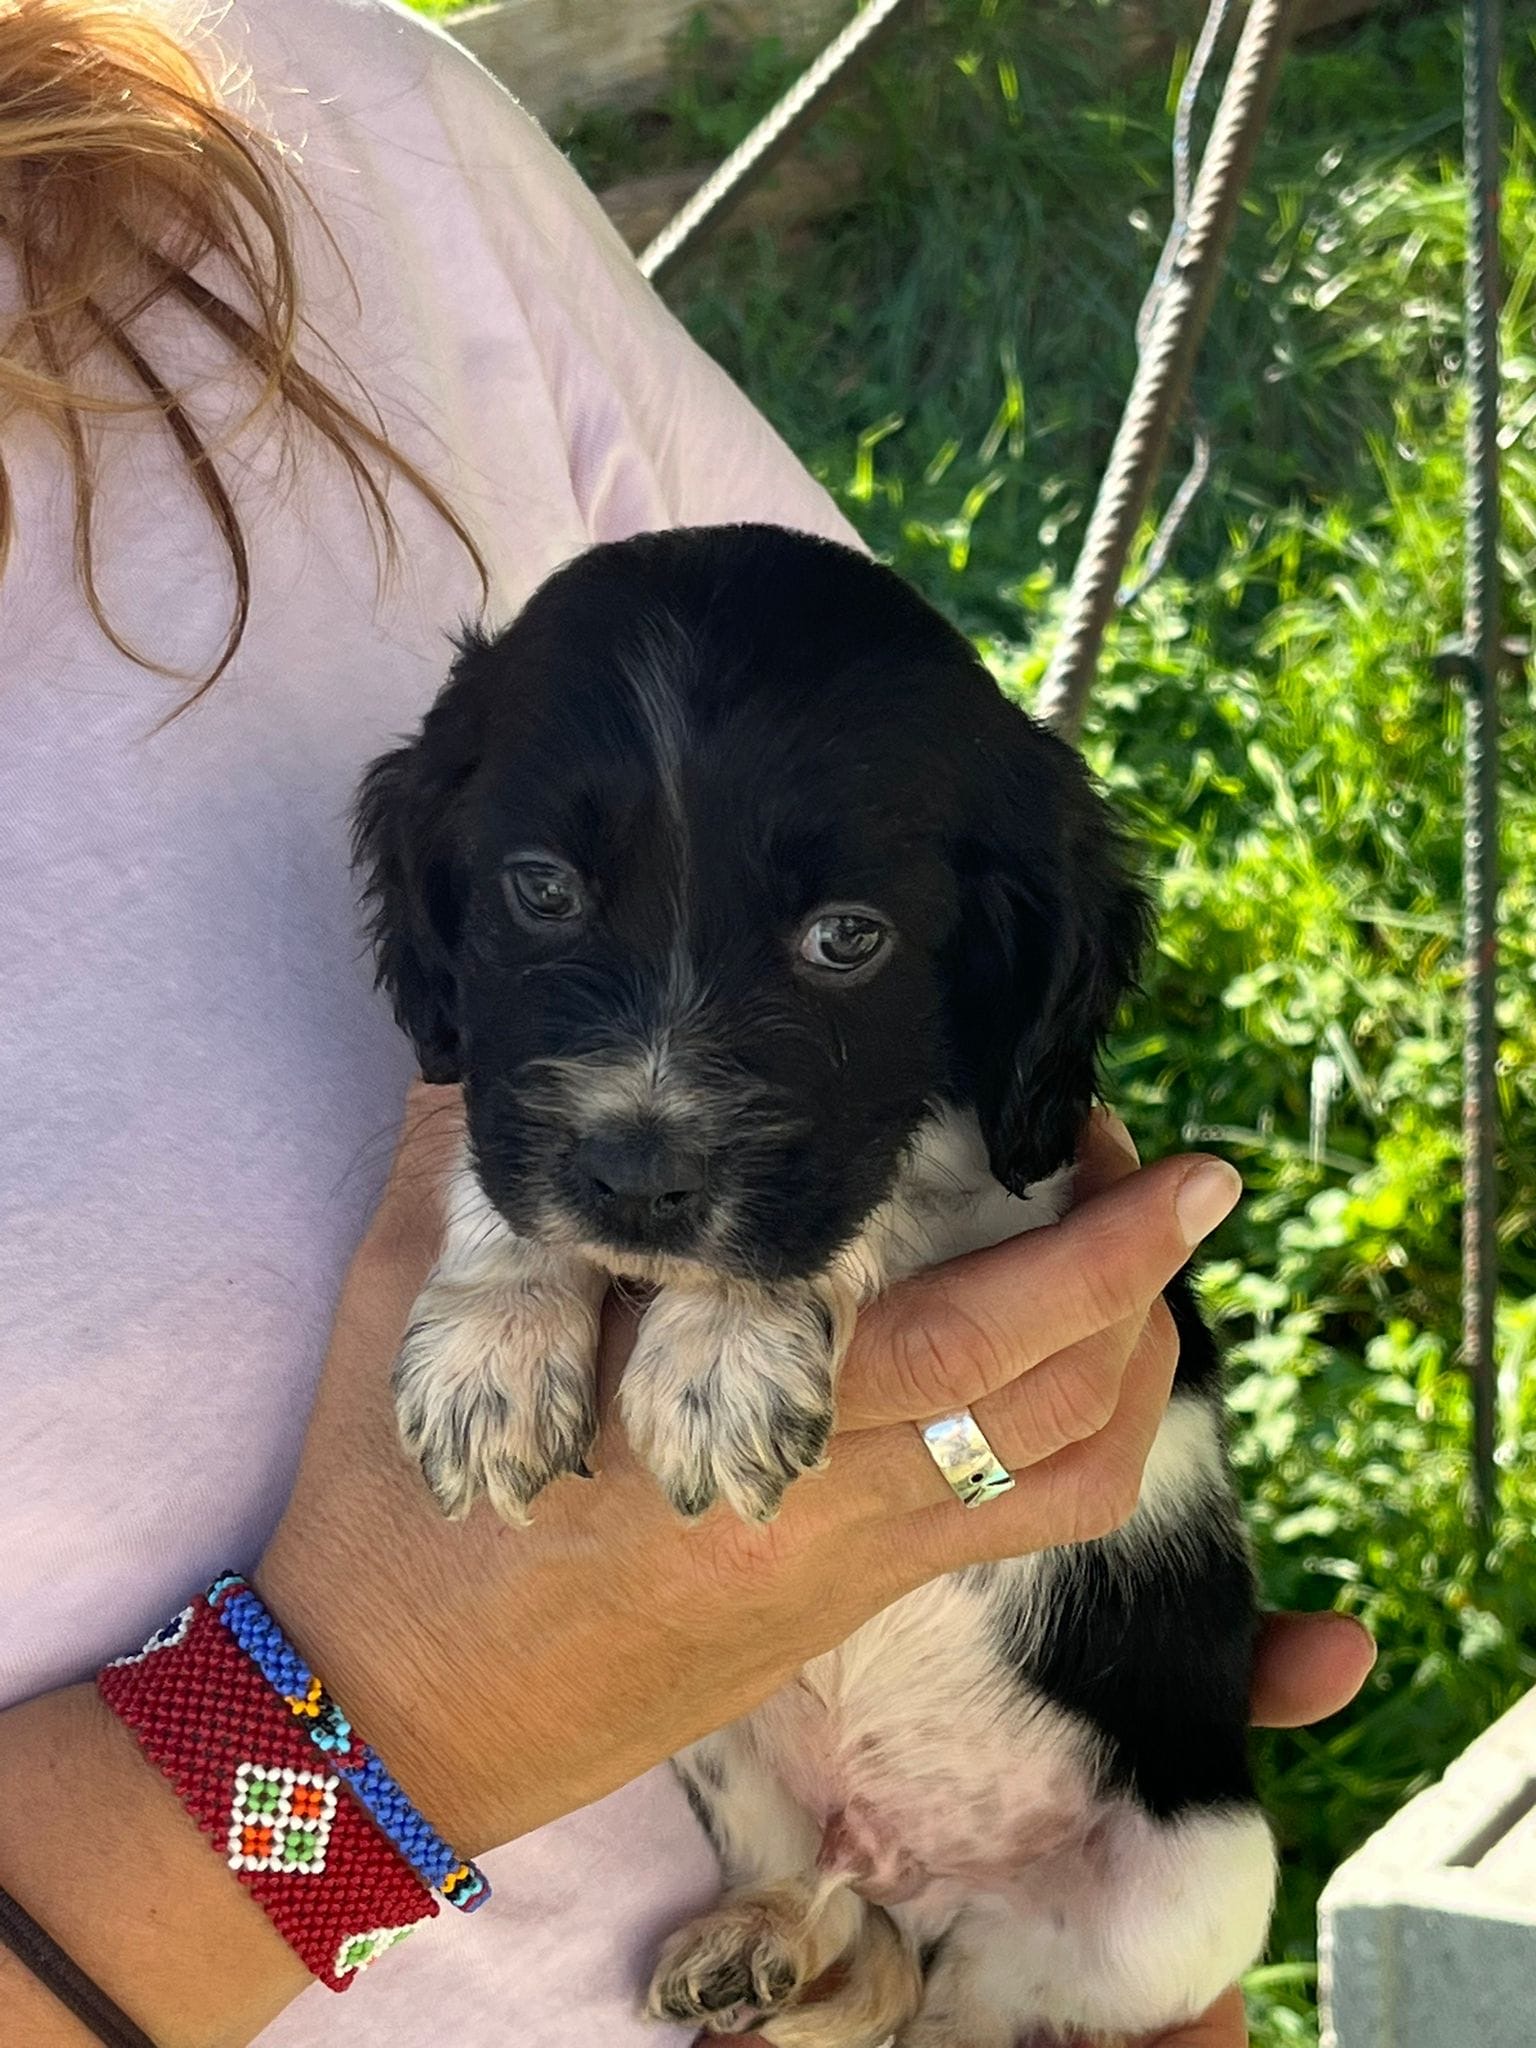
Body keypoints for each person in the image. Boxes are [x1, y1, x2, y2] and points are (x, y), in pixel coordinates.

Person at [0, 3, 1374, 2044]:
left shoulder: (307, 118)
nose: (648, 1107)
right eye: (541, 903)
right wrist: (386, 1718)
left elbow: (943, 890)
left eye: (828, 938)